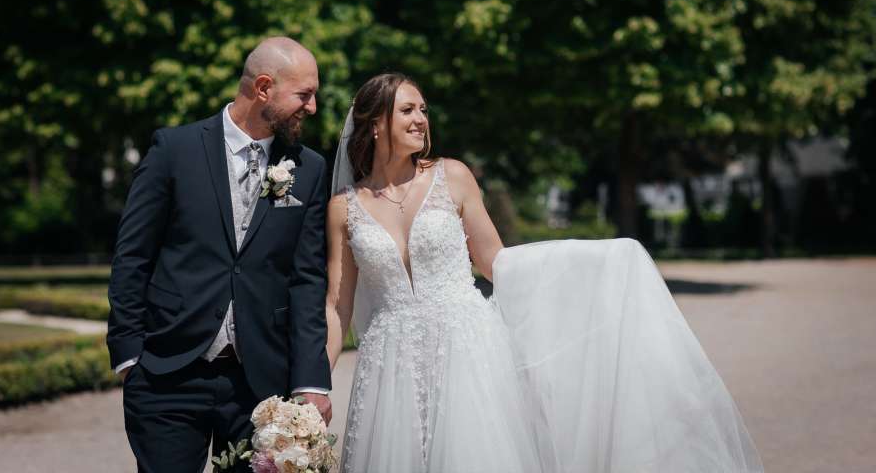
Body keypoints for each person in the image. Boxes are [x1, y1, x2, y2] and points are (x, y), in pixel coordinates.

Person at [325, 73, 764, 473]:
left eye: (423, 109)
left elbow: (495, 262)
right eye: (407, 110)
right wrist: (315, 388)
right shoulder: (344, 208)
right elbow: (337, 306)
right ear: (375, 123)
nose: (421, 119)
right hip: (389, 366)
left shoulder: (452, 177)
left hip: (466, 351)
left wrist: (592, 262)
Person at [107, 37, 332, 473]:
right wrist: (130, 356)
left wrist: (310, 382)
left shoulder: (309, 168)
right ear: (263, 88)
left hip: (261, 386)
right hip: (167, 373)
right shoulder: (174, 150)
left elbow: (307, 280)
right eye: (304, 95)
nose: (313, 107)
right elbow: (132, 256)